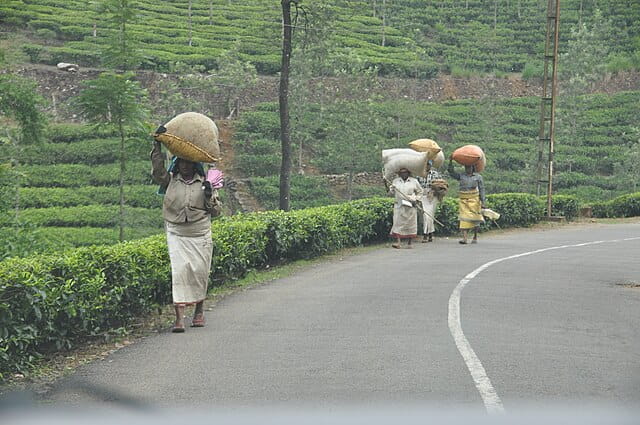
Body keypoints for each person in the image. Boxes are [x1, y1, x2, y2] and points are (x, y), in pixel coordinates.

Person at [151, 140, 222, 333]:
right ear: (177, 163)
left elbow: (215, 212)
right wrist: (156, 147)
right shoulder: (171, 180)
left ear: (194, 165)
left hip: (200, 232)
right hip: (177, 232)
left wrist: (208, 194)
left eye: (189, 163)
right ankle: (179, 319)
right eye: (181, 162)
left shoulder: (205, 182)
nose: (185, 166)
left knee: (200, 271)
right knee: (179, 270)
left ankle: (199, 312)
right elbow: (158, 171)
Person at [448, 157, 485, 244]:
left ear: (473, 168)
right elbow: (451, 173)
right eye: (466, 167)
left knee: (475, 219)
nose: (467, 169)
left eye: (469, 167)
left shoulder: (478, 177)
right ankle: (464, 238)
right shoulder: (461, 176)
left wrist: (483, 202)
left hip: (474, 200)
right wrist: (450, 162)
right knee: (464, 219)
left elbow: (482, 189)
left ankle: (475, 236)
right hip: (463, 200)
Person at [389, 167, 423, 249]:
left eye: (405, 172)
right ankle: (398, 242)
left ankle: (410, 242)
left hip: (410, 205)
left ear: (408, 173)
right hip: (399, 205)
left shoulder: (414, 181)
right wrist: (389, 188)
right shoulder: (396, 181)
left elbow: (420, 192)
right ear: (399, 174)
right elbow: (390, 192)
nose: (403, 174)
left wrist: (416, 199)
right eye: (402, 173)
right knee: (397, 223)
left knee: (410, 223)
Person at [417, 160, 444, 243]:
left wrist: (433, 189)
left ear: (431, 165)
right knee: (425, 215)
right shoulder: (419, 174)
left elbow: (441, 185)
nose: (427, 166)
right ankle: (429, 233)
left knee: (430, 216)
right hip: (423, 196)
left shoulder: (435, 174)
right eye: (425, 164)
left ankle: (427, 234)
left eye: (428, 165)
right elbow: (417, 186)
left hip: (433, 197)